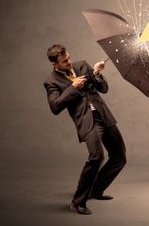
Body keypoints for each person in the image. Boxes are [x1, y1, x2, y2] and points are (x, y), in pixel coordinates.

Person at [43, 44, 126, 215]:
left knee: (119, 156)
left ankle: (96, 190)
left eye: (69, 57)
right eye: (65, 61)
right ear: (55, 64)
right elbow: (55, 107)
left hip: (103, 115)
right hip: (87, 121)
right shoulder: (51, 81)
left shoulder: (81, 65)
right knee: (97, 156)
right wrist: (73, 88)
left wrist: (96, 73)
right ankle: (77, 202)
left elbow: (104, 89)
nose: (69, 62)